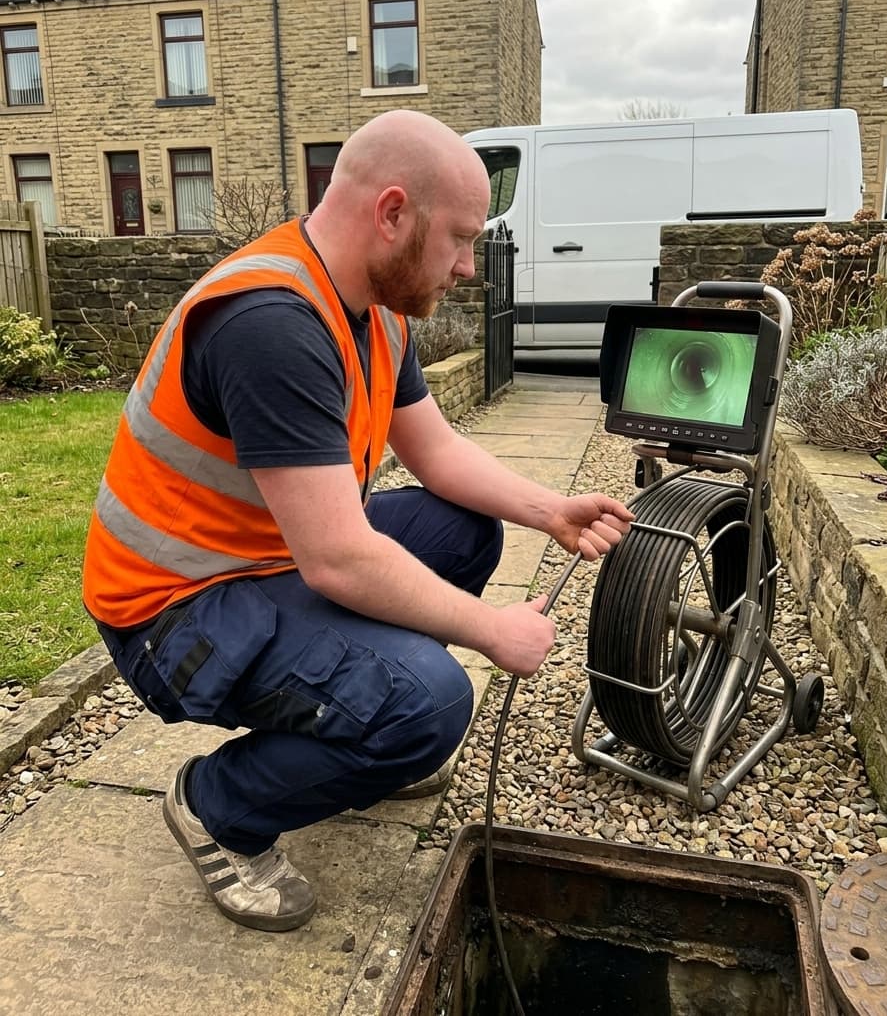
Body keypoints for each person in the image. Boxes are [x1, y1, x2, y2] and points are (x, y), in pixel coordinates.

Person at [82, 110, 633, 933]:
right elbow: (340, 559)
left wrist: (551, 510)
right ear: (393, 213)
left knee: (467, 528)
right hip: (175, 611)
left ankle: (352, 732)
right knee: (432, 703)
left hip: (266, 559)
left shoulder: (372, 308)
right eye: (460, 238)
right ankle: (217, 806)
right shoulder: (271, 325)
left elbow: (439, 455)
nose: (467, 265)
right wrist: (490, 629)